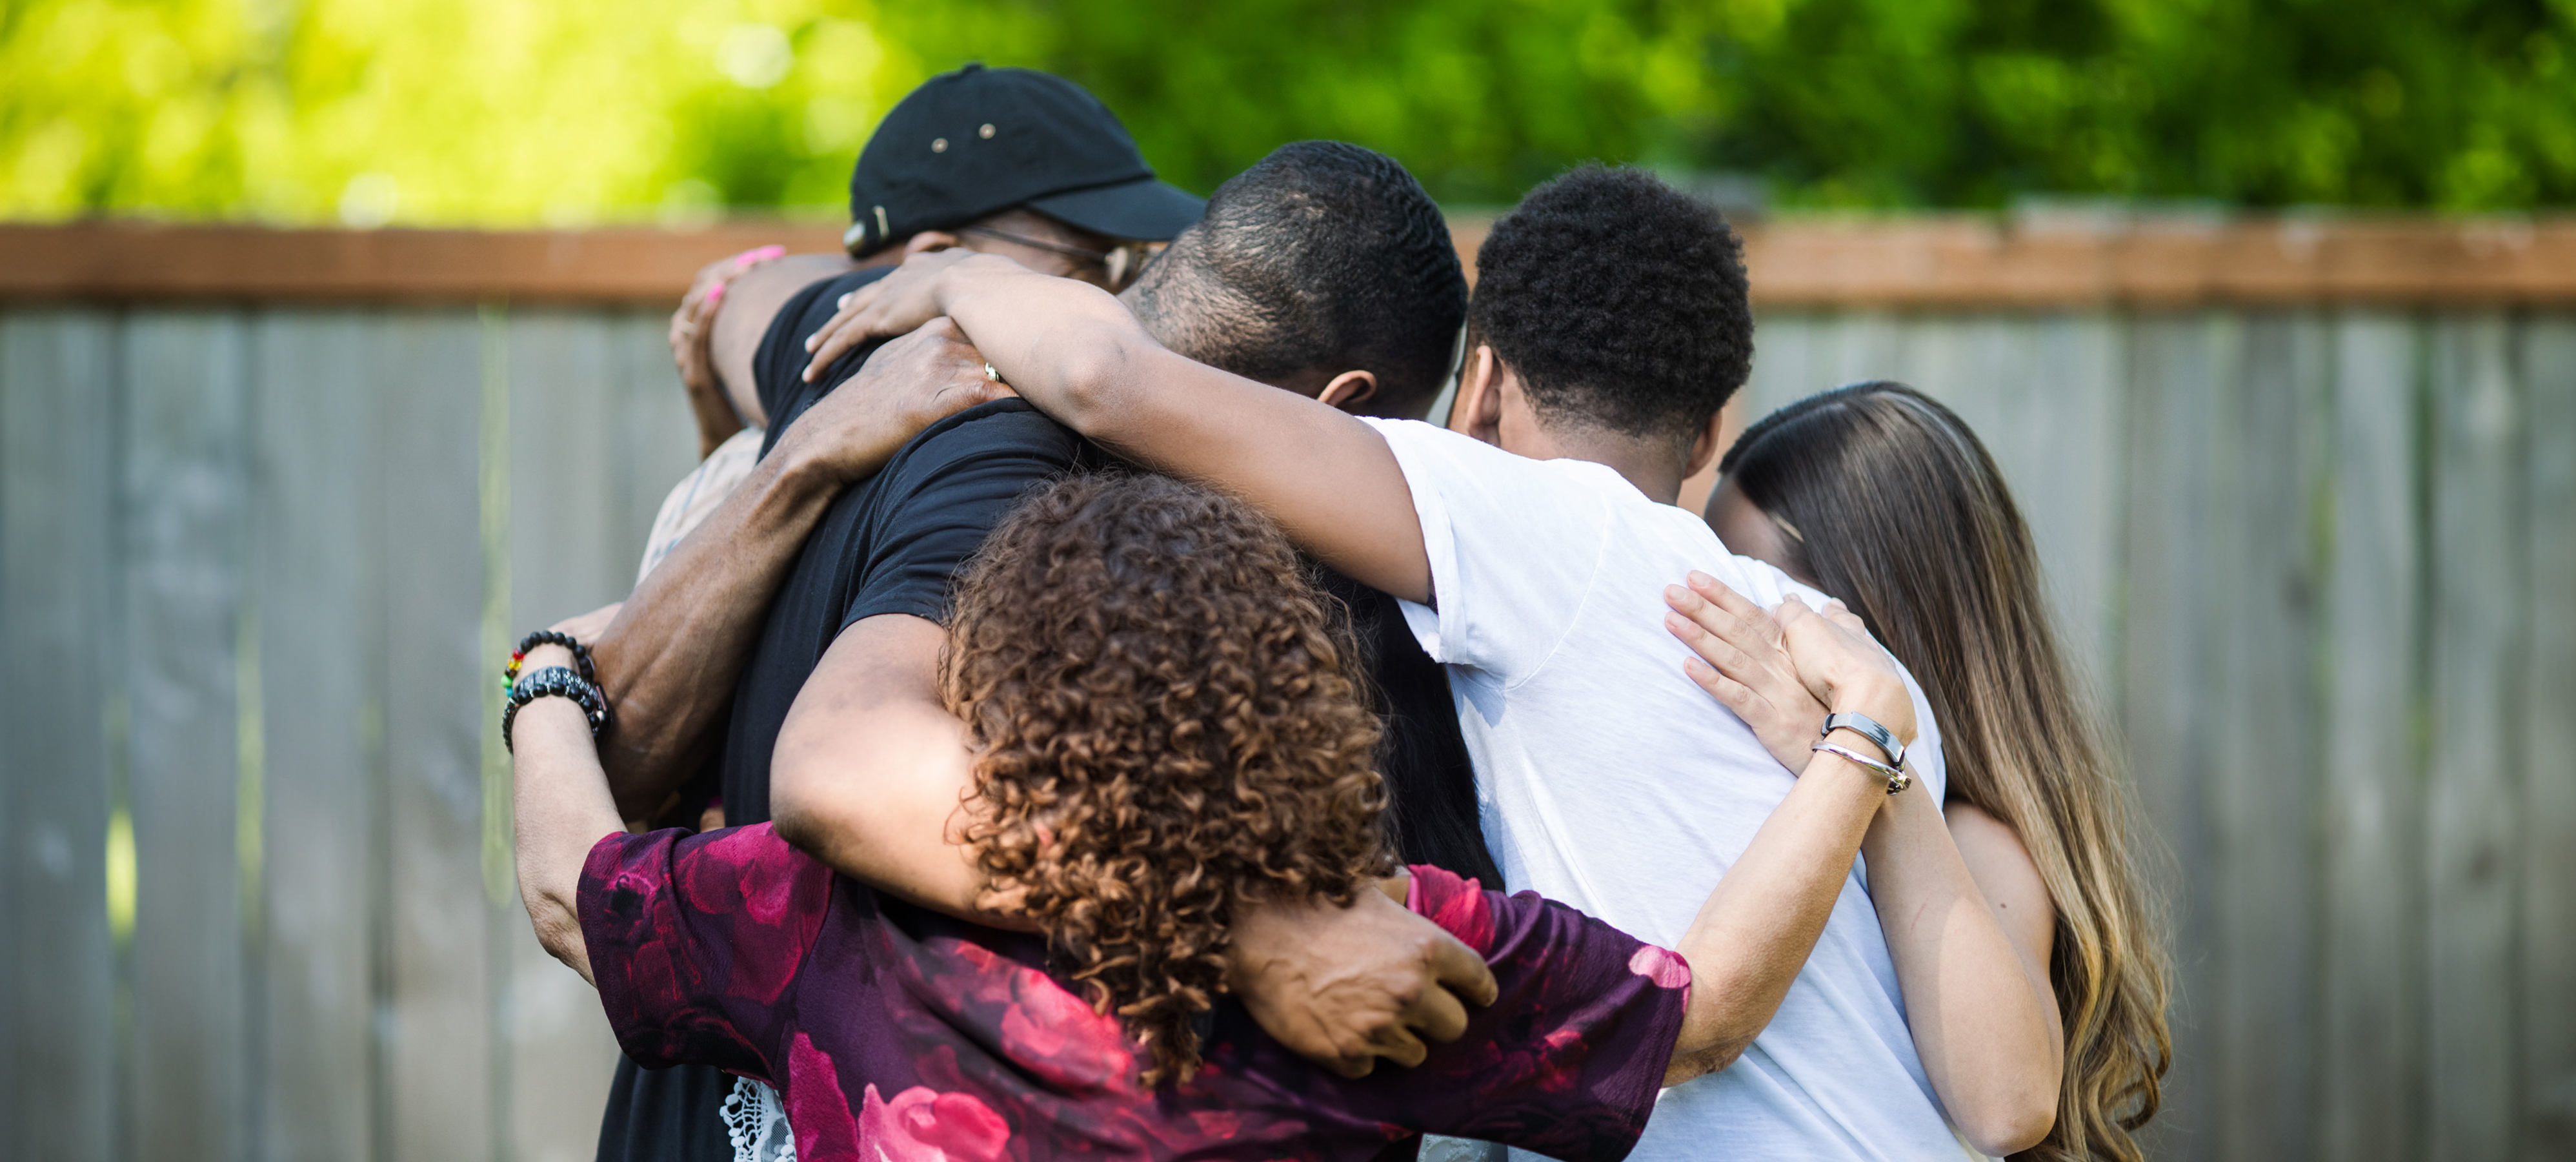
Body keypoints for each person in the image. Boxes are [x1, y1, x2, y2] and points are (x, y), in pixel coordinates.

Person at [793, 166, 2068, 1158]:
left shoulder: (1532, 529)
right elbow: (2003, 1106)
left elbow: (1102, 373)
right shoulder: (1839, 665)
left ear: (1487, 386)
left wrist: (961, 276)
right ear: (1714, 427)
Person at [505, 470, 1928, 1161]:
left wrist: (549, 681)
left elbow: (577, 892)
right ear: (1283, 685)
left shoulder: (823, 915)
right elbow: (1705, 1011)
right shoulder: (1384, 944)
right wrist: (1860, 738)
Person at [581, 141, 1503, 1162]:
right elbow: (841, 768)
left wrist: (745, 293)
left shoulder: (870, 338)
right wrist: (1246, 925)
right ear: (1340, 410)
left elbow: (757, 297)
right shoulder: (1039, 489)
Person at [1675, 381, 2172, 1162]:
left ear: (1871, 610)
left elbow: (2008, 1107)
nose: (1745, 617)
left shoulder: (1973, 834)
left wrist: (1863, 746)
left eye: (1765, 588)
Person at [633, 62, 1202, 585]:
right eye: (1096, 266)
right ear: (938, 256)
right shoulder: (982, 472)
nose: (1125, 298)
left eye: (1141, 261)